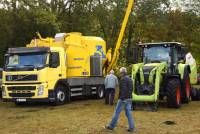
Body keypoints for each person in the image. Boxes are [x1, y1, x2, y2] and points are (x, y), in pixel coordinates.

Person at [105, 67, 135, 132]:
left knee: (116, 112)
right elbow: (131, 89)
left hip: (123, 99)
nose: (119, 73)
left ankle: (111, 126)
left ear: (122, 73)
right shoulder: (130, 79)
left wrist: (121, 98)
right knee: (128, 113)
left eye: (120, 72)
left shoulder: (123, 79)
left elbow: (124, 90)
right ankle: (132, 127)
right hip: (129, 98)